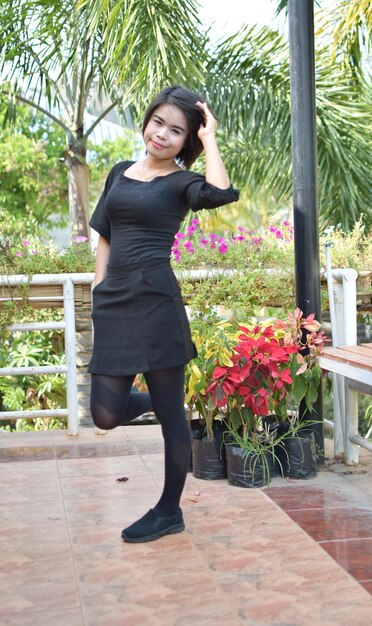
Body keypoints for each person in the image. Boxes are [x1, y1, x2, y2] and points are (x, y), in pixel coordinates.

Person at [88, 85, 239, 543]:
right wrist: (98, 292)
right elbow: (106, 237)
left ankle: (169, 509)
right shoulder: (119, 173)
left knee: (173, 420)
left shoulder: (182, 182)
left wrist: (210, 137)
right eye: (159, 122)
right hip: (114, 302)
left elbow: (220, 192)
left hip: (157, 304)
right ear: (147, 120)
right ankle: (162, 400)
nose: (163, 134)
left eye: (177, 131)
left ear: (186, 141)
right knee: (104, 414)